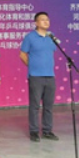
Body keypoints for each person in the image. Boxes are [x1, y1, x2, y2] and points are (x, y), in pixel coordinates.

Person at [20, 12, 59, 143]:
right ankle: (34, 131)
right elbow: (22, 55)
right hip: (36, 76)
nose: (46, 22)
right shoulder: (30, 37)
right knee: (35, 105)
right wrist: (32, 66)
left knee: (48, 105)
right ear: (36, 23)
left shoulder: (51, 36)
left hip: (50, 76)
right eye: (42, 20)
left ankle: (47, 130)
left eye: (47, 19)